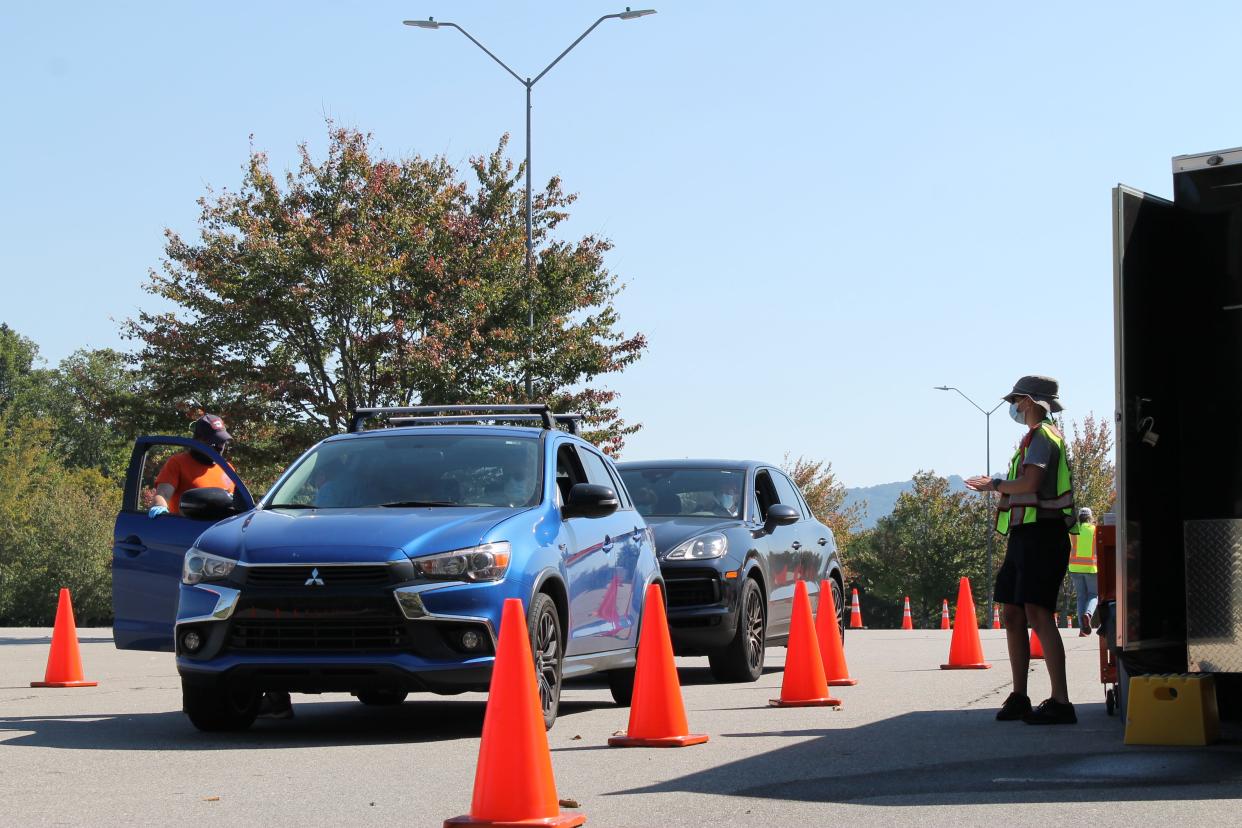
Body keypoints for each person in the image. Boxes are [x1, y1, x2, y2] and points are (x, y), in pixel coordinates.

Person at [966, 375, 1078, 725]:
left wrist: (994, 484)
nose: (1014, 407)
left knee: (1038, 612)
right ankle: (1020, 695)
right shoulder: (1031, 439)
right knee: (1013, 613)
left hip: (1043, 535)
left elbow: (1030, 483)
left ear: (1028, 401)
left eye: (1017, 400)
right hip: (1025, 535)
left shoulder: (1044, 436)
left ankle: (1061, 701)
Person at [148, 414, 236, 518]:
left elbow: (235, 503)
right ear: (198, 440)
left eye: (222, 442)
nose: (220, 447)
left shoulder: (227, 469)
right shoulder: (178, 463)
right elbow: (163, 495)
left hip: (220, 531)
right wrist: (160, 509)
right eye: (214, 442)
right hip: (187, 530)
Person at [1069, 507, 1099, 636]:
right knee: (1093, 595)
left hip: (1074, 567)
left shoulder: (1073, 529)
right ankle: (1088, 614)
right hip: (1091, 567)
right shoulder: (1094, 530)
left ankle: (1083, 630)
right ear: (1090, 517)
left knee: (1081, 597)